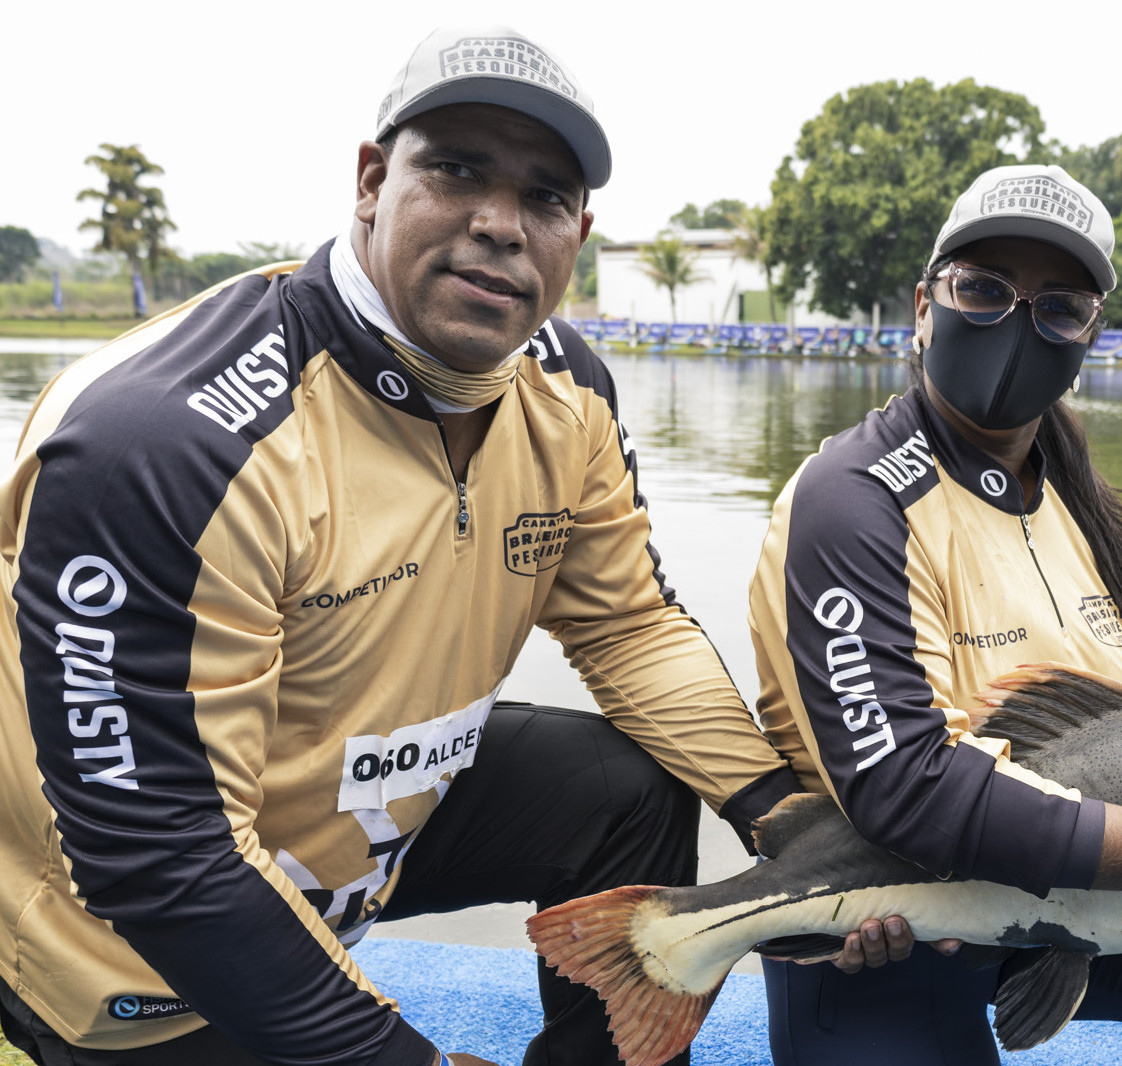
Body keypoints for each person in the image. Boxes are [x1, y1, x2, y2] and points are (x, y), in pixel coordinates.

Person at [0, 25, 815, 1066]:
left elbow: (630, 628)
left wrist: (777, 812)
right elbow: (159, 859)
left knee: (629, 786)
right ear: (373, 181)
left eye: (545, 197)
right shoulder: (163, 442)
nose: (500, 225)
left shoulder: (566, 385)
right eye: (458, 169)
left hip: (346, 819)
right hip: (133, 939)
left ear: (580, 232)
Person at [747, 163, 1122, 1065]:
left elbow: (1119, 732)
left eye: (1059, 307)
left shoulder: (1075, 500)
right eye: (985, 289)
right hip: (885, 914)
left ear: (1089, 335)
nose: (1018, 324)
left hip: (1071, 903)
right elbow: (905, 785)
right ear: (925, 305)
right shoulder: (853, 497)